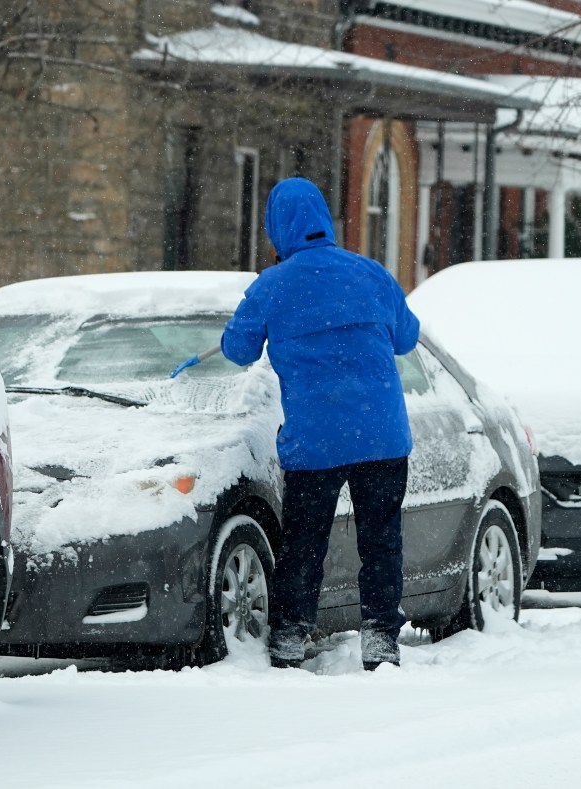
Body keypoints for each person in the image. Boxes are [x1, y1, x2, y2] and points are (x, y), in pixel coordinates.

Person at [220, 177, 420, 671]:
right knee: (381, 539)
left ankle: (290, 637)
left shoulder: (271, 287)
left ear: (277, 229)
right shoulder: (371, 273)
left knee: (305, 542)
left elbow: (236, 349)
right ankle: (380, 639)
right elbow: (407, 338)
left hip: (317, 441)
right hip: (381, 433)